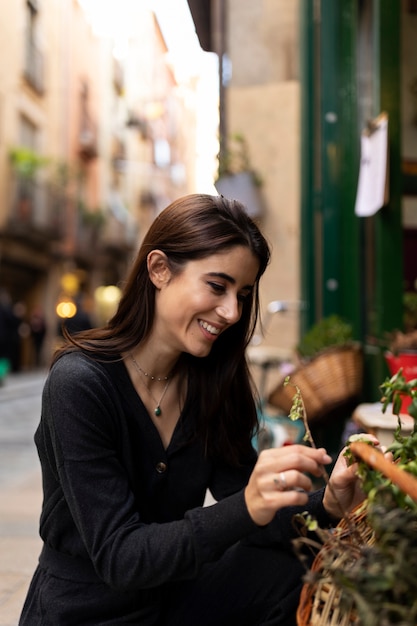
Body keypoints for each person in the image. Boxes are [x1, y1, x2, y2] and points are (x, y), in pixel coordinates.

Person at [20, 194, 365, 626]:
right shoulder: (81, 383)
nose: (232, 312)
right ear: (159, 269)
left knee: (285, 568)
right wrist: (246, 507)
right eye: (217, 286)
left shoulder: (214, 382)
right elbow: (120, 557)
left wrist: (328, 503)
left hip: (173, 597)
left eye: (242, 294)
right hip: (85, 609)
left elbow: (254, 505)